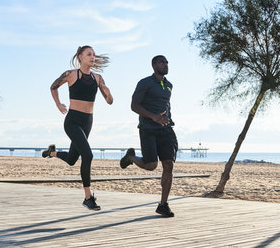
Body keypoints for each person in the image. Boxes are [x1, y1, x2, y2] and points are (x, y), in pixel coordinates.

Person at [42, 45, 113, 211]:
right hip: (72, 121)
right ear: (80, 57)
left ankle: (51, 152)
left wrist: (108, 94)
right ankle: (88, 198)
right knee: (87, 155)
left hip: (88, 121)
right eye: (89, 54)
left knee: (73, 159)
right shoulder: (71, 74)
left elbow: (109, 101)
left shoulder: (98, 78)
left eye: (94, 55)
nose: (92, 57)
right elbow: (53, 86)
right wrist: (58, 103)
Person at [120, 55, 178, 217]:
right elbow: (134, 105)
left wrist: (166, 119)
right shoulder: (145, 83)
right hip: (148, 128)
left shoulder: (169, 85)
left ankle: (163, 204)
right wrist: (153, 116)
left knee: (168, 165)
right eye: (162, 62)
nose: (166, 65)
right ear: (154, 65)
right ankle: (131, 157)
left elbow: (166, 105)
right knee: (151, 165)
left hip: (166, 129)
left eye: (167, 62)